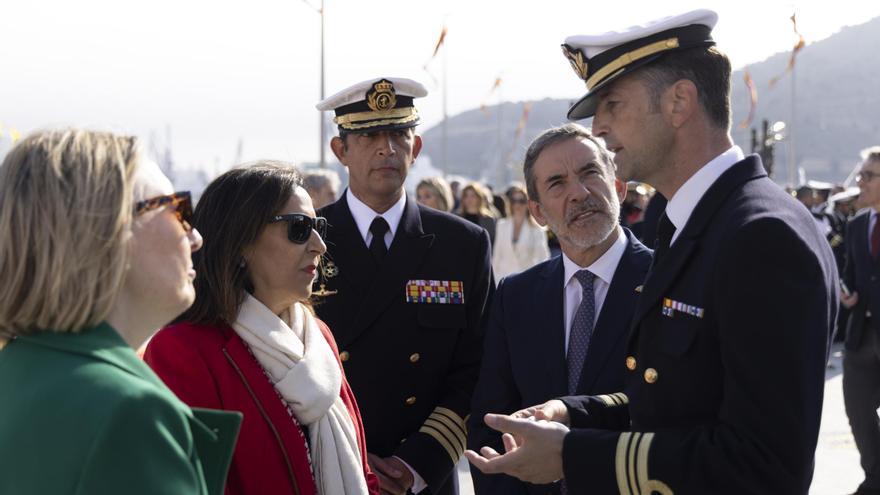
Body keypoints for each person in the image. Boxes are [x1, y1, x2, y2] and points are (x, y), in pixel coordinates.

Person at [466, 9, 838, 494]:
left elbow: (763, 463)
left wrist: (571, 453)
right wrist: (573, 414)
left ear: (680, 102)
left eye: (613, 104)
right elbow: (677, 399)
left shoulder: (761, 234)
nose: (598, 127)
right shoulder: (697, 225)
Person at [0, 129, 240, 494]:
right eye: (177, 209)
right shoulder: (130, 411)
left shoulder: (18, 370)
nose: (196, 237)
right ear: (109, 231)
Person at [144, 163, 378, 495]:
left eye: (318, 227)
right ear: (239, 243)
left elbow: (363, 471)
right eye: (298, 228)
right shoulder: (184, 349)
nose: (318, 246)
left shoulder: (318, 334)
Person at [314, 77, 494, 495]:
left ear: (416, 149)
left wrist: (416, 463)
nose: (386, 148)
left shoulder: (462, 244)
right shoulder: (308, 239)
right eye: (369, 135)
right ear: (340, 151)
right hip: (331, 465)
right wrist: (349, 456)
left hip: (421, 474)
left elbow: (478, 363)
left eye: (398, 133)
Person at [469, 124, 652, 494]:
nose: (579, 193)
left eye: (590, 174)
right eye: (557, 183)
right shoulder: (516, 295)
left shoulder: (668, 282)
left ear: (618, 186)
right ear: (536, 211)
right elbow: (491, 425)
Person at [841, 146, 880, 495]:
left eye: (868, 176)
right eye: (861, 174)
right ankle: (875, 477)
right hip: (860, 335)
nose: (860, 182)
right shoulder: (856, 226)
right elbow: (852, 274)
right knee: (858, 411)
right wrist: (847, 293)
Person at [491, 182, 552, 280]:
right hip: (503, 280)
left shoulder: (537, 229)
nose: (517, 204)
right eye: (514, 201)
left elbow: (543, 258)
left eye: (521, 201)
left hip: (528, 281)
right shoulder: (502, 225)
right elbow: (497, 256)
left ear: (529, 204)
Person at [457, 182, 498, 246]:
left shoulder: (488, 219)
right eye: (466, 196)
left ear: (479, 198)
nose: (469, 199)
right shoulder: (457, 217)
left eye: (473, 196)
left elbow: (491, 243)